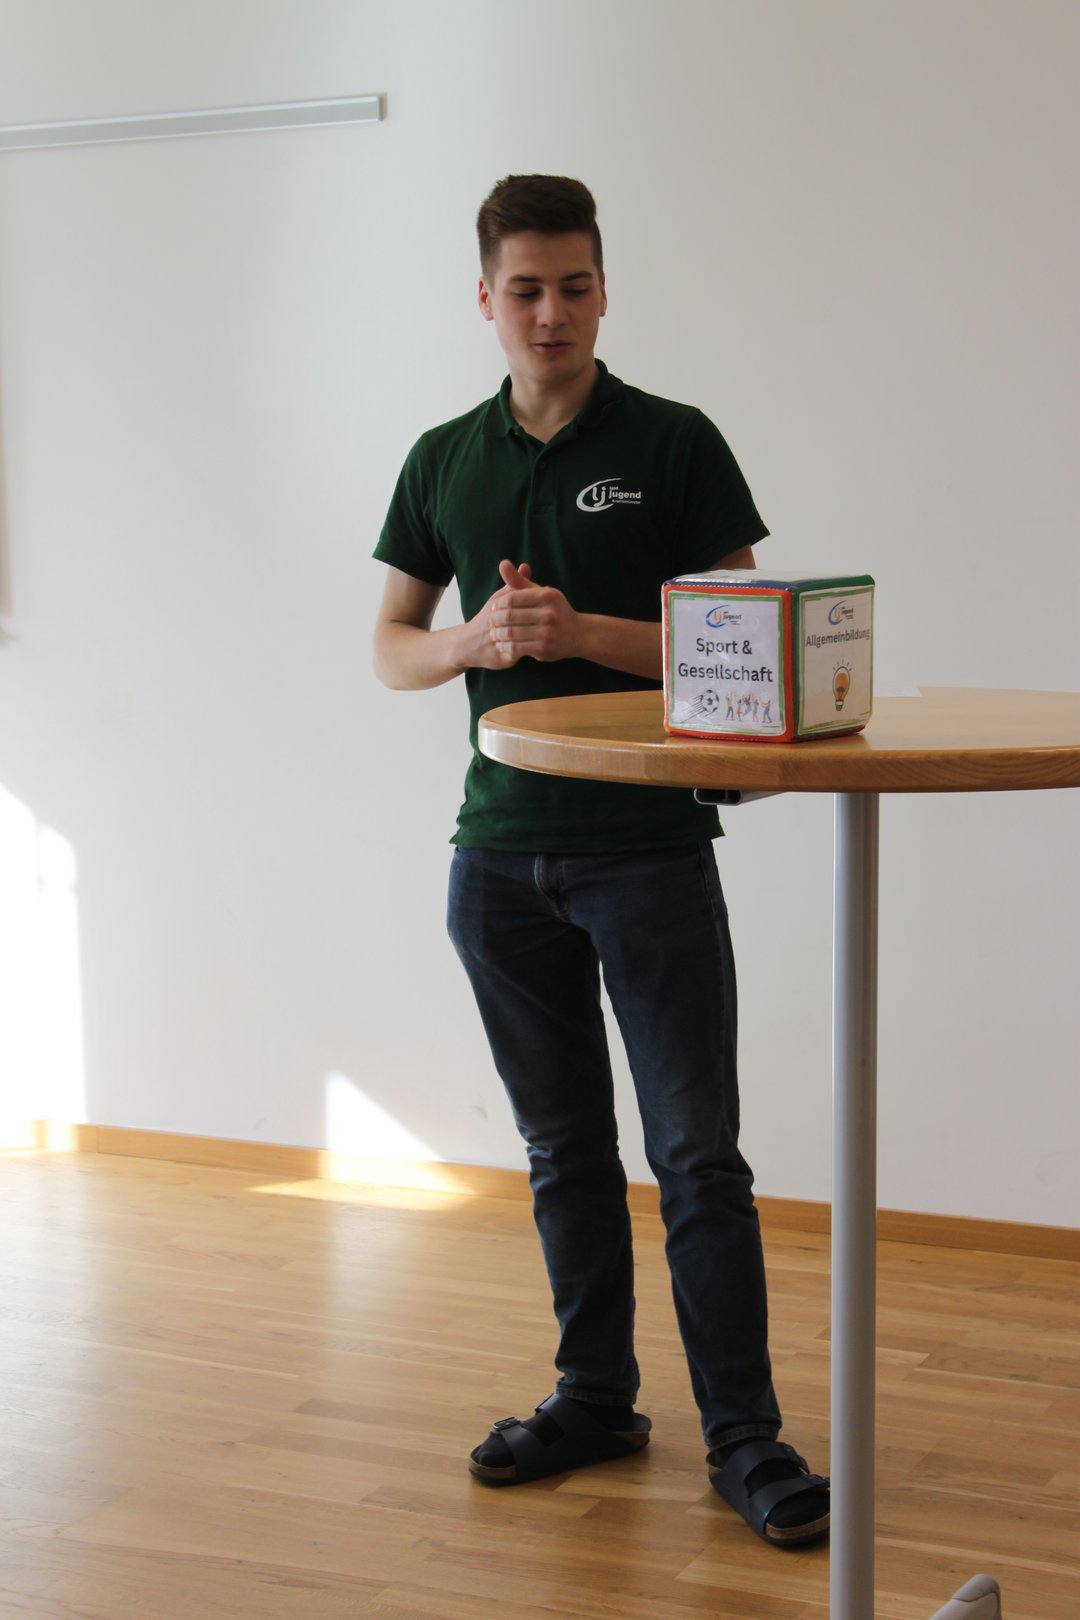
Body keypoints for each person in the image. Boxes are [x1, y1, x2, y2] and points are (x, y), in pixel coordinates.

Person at [372, 174, 829, 1547]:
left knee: (696, 1158)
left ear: (604, 291)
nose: (551, 312)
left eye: (574, 286)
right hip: (498, 860)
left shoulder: (675, 441)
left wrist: (585, 632)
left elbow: (752, 641)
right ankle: (595, 1399)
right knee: (562, 1150)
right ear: (486, 298)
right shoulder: (442, 458)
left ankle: (744, 1438)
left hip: (647, 852)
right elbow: (392, 646)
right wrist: (474, 641)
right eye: (525, 289)